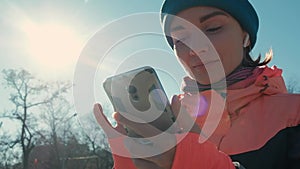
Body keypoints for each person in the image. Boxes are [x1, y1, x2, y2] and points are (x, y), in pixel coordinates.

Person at [93, 0, 300, 168]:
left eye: (213, 28)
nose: (195, 48)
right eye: (180, 39)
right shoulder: (171, 120)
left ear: (245, 36)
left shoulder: (294, 113)